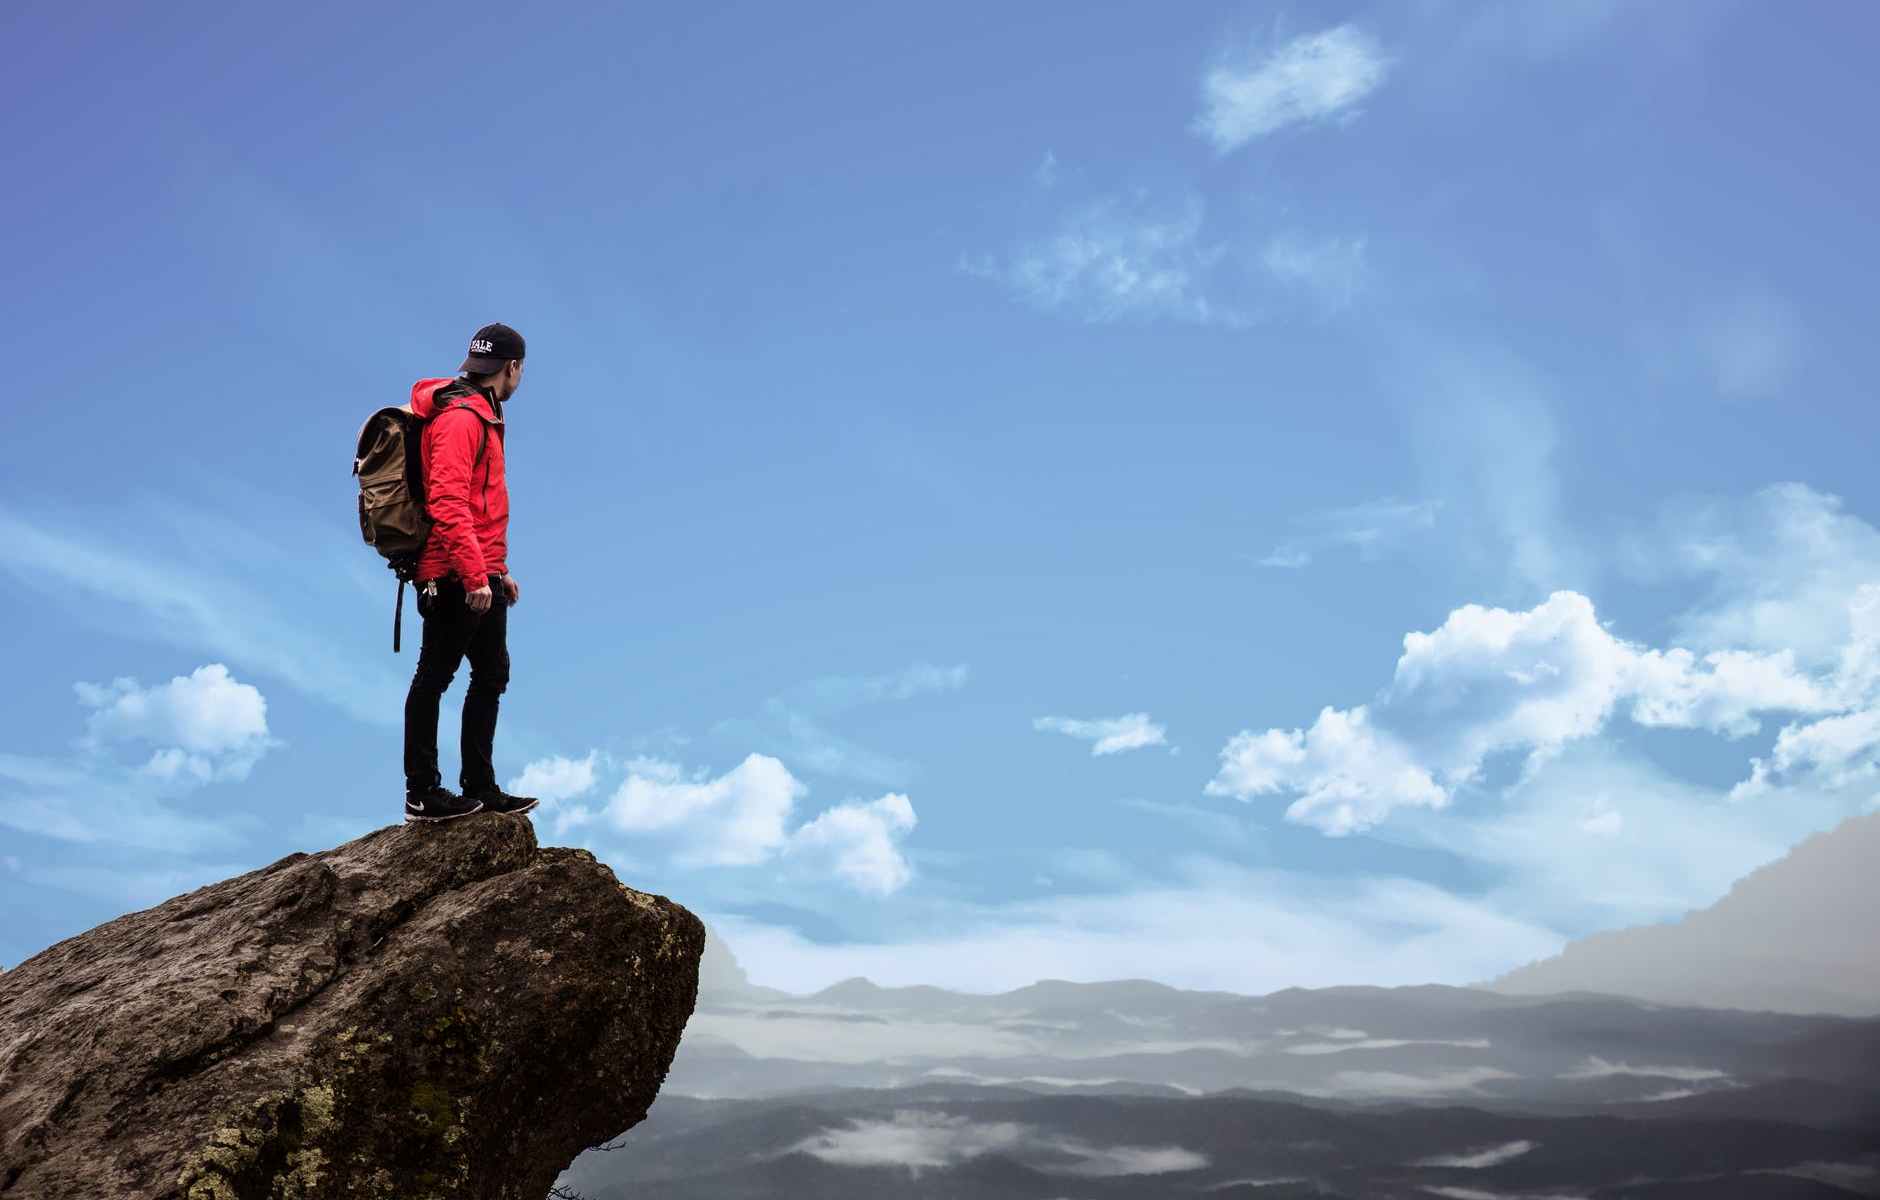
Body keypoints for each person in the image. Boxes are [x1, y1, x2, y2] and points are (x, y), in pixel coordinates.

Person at [402, 323, 541, 822]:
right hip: (451, 572)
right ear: (513, 367)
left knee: (491, 676)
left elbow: (482, 506)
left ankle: (480, 786)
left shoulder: (484, 412)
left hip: (480, 569)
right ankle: (422, 792)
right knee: (434, 677)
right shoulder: (461, 418)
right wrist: (474, 574)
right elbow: (447, 501)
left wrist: (498, 570)